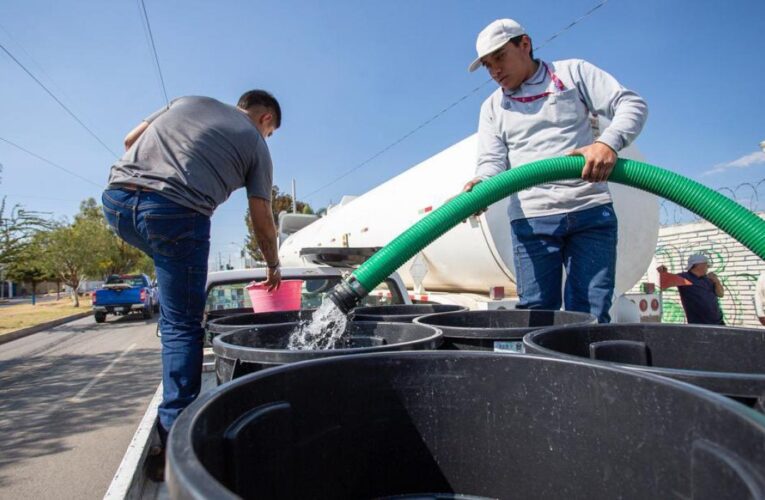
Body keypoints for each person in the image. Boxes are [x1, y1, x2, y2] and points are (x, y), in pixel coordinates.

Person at [101, 91, 283, 457]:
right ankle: (174, 441)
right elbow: (262, 220)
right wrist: (273, 264)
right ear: (266, 120)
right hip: (176, 213)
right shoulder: (256, 145)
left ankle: (169, 270)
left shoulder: (189, 102)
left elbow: (129, 139)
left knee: (170, 269)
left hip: (117, 203)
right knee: (182, 325)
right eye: (271, 132)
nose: (268, 139)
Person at [462, 18, 648, 323]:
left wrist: (607, 144)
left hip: (590, 211)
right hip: (532, 222)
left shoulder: (572, 73)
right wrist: (482, 183)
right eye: (487, 64)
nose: (494, 70)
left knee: (588, 315)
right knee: (537, 315)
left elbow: (632, 104)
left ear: (525, 44)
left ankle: (584, 371)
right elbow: (492, 162)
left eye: (500, 57)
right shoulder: (493, 107)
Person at [656, 254, 725, 325]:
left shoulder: (708, 279)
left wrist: (716, 281)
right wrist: (663, 273)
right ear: (699, 265)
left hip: (718, 322)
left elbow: (721, 294)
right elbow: (664, 285)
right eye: (706, 265)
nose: (707, 267)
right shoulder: (684, 277)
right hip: (699, 324)